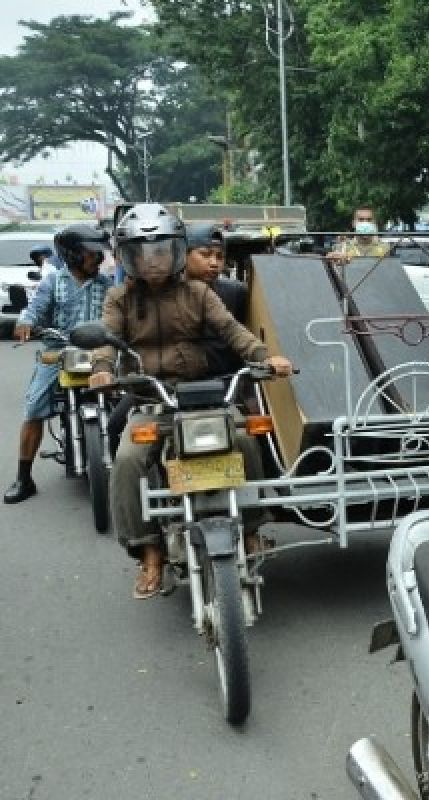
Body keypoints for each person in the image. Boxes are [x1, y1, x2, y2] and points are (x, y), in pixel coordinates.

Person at [89, 204, 293, 599]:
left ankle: (250, 528)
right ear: (129, 256)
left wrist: (264, 357)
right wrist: (102, 367)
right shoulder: (119, 299)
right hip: (153, 399)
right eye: (142, 252)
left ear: (176, 250)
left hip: (204, 397)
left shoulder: (198, 293)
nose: (152, 260)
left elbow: (234, 332)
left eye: (161, 250)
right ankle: (149, 552)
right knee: (128, 461)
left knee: (248, 439)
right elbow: (106, 340)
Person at [4, 225, 114, 504]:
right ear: (73, 254)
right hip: (59, 352)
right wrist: (26, 322)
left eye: (99, 254)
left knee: (131, 396)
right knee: (34, 409)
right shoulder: (53, 282)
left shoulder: (107, 285)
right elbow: (35, 308)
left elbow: (120, 313)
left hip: (99, 353)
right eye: (91, 254)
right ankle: (24, 477)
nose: (98, 259)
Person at [183, 223, 250, 376]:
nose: (214, 263)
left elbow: (240, 334)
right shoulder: (169, 292)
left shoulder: (236, 292)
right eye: (205, 255)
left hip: (227, 384)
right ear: (183, 255)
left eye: (220, 257)